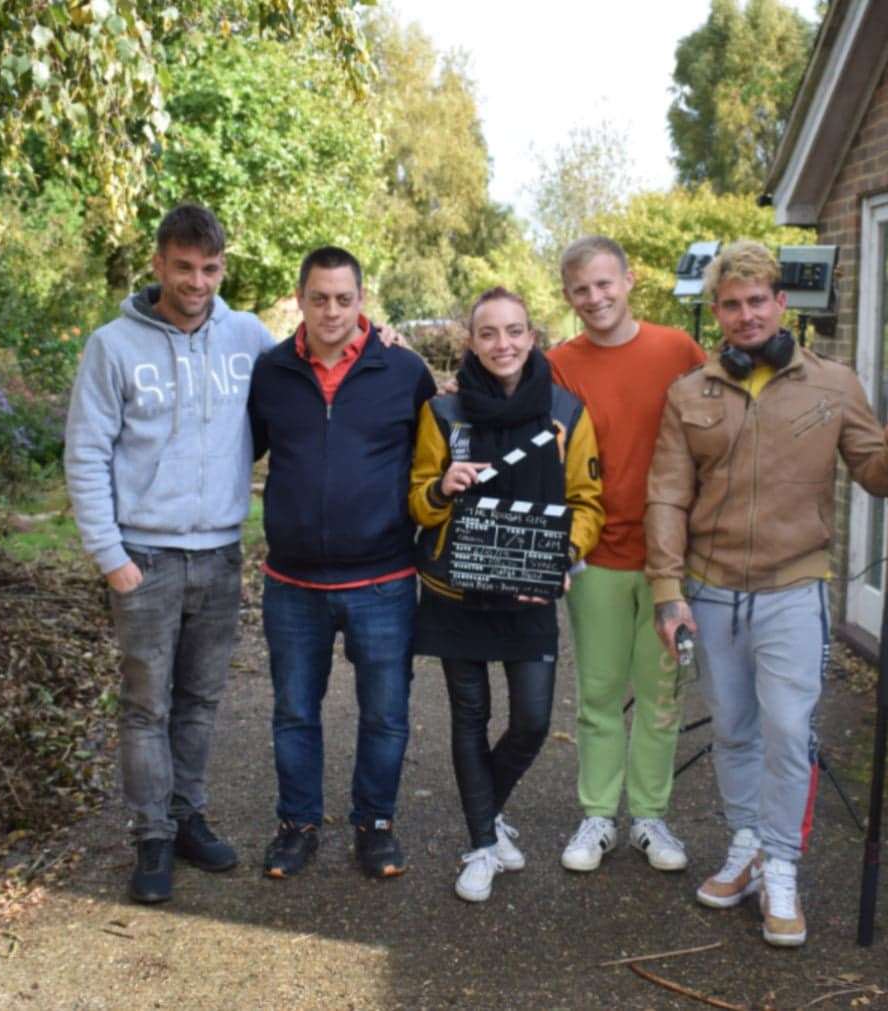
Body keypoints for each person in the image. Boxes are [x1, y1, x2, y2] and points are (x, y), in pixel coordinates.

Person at [644, 239, 888, 947]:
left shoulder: (833, 385)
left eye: (757, 300)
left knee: (788, 731)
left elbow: (877, 476)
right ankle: (745, 844)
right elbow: (669, 496)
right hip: (710, 593)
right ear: (717, 312)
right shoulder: (690, 393)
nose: (746, 315)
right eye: (732, 304)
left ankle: (783, 865)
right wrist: (668, 590)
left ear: (781, 303)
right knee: (733, 729)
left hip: (794, 590)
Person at [65, 203, 275, 904]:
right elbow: (87, 453)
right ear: (158, 263)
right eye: (183, 266)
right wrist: (109, 554)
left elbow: (315, 372)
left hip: (218, 555)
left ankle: (189, 818)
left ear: (223, 267)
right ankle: (151, 835)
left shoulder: (247, 337)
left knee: (201, 701)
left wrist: (379, 335)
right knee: (145, 705)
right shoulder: (112, 346)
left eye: (210, 268)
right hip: (145, 558)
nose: (196, 281)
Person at [408, 287, 605, 903]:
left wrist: (562, 553)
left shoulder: (567, 413)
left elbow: (588, 503)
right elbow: (416, 501)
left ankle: (486, 812)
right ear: (471, 340)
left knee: (532, 720)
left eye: (514, 331)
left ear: (532, 336)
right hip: (456, 591)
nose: (503, 344)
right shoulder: (442, 414)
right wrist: (442, 488)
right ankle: (481, 843)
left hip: (528, 593)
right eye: (489, 333)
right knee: (468, 717)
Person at [248, 246, 437, 880]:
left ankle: (375, 825)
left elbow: (434, 459)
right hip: (293, 585)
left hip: (382, 580)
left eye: (344, 299)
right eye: (319, 298)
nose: (332, 311)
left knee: (384, 715)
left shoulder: (404, 371)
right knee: (295, 713)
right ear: (300, 298)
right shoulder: (271, 372)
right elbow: (240, 451)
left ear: (363, 301)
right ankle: (297, 824)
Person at [547, 236, 707, 874]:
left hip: (669, 559)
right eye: (582, 289)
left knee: (661, 690)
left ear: (629, 280)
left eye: (605, 284)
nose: (596, 298)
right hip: (597, 555)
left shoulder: (677, 350)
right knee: (600, 692)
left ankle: (649, 815)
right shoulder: (559, 362)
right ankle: (597, 813)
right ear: (568, 296)